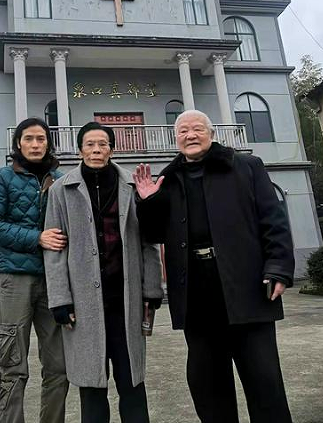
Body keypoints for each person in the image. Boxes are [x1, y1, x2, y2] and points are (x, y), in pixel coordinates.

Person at [133, 109, 295, 423]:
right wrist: (148, 201)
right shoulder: (169, 179)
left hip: (247, 289)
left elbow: (274, 222)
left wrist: (277, 267)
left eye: (197, 129)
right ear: (175, 138)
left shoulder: (246, 167)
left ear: (211, 134)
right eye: (183, 131)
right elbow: (153, 234)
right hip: (197, 295)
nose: (190, 135)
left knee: (264, 381)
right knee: (208, 384)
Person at [43, 121, 164, 423]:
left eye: (103, 144)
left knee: (132, 385)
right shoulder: (61, 190)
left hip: (126, 301)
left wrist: (152, 288)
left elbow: (148, 241)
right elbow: (54, 247)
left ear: (112, 148)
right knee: (92, 390)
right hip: (83, 307)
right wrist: (60, 299)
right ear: (80, 149)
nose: (96, 150)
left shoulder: (132, 185)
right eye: (89, 144)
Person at [0, 117, 69, 423]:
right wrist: (37, 238)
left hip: (54, 281)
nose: (34, 144)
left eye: (40, 139)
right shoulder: (0, 177)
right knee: (12, 363)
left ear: (48, 143)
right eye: (28, 138)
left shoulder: (60, 180)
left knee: (59, 366)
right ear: (18, 143)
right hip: (14, 279)